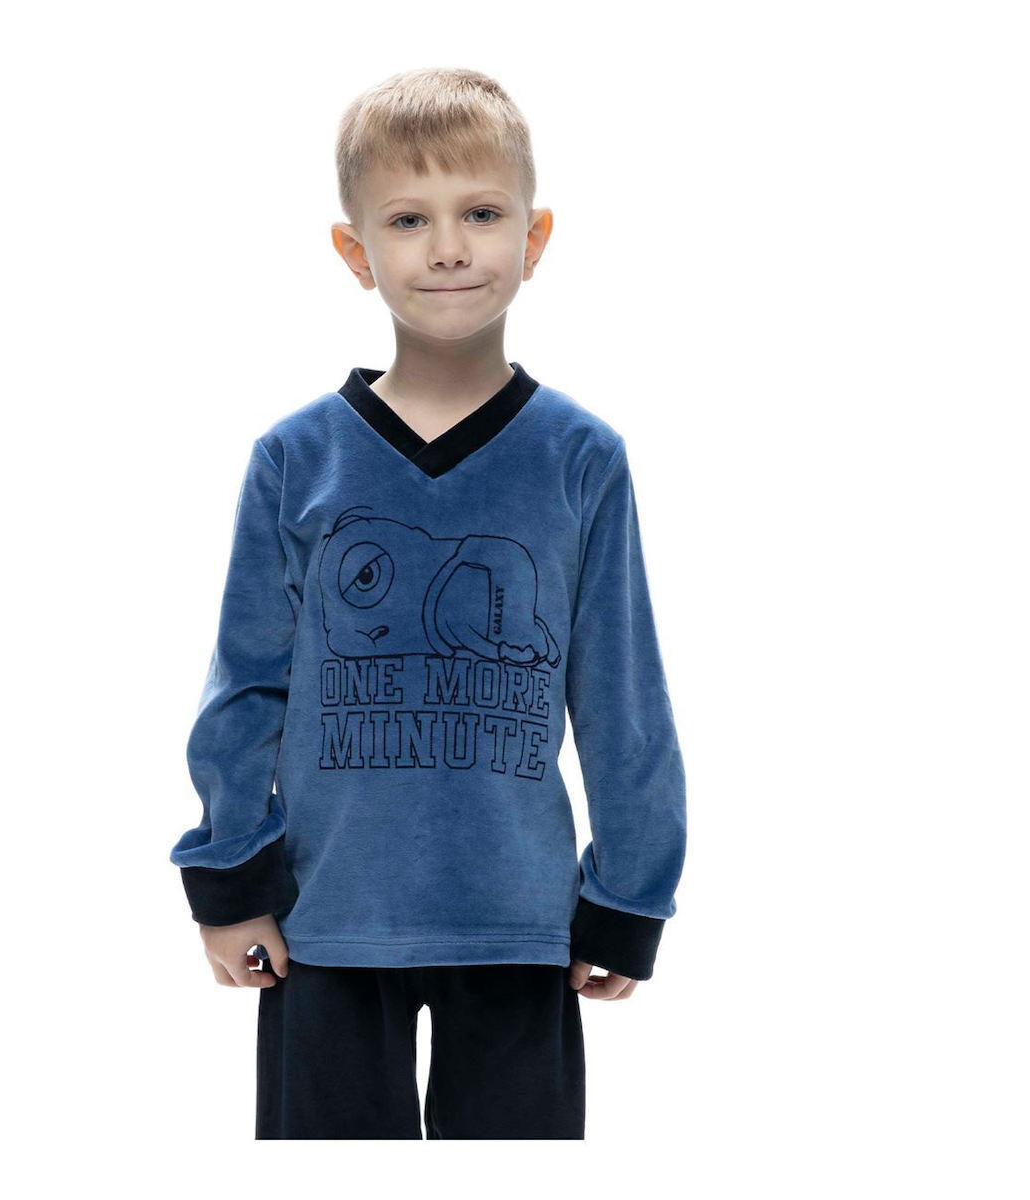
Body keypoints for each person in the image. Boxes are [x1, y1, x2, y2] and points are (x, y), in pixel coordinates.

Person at [168, 66, 687, 1140]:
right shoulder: (295, 457)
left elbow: (621, 693)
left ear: (535, 239)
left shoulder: (582, 458)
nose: (448, 247)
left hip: (519, 922)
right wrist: (230, 878)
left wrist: (629, 893)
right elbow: (246, 682)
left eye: (481, 213)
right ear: (356, 251)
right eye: (409, 220)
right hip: (324, 921)